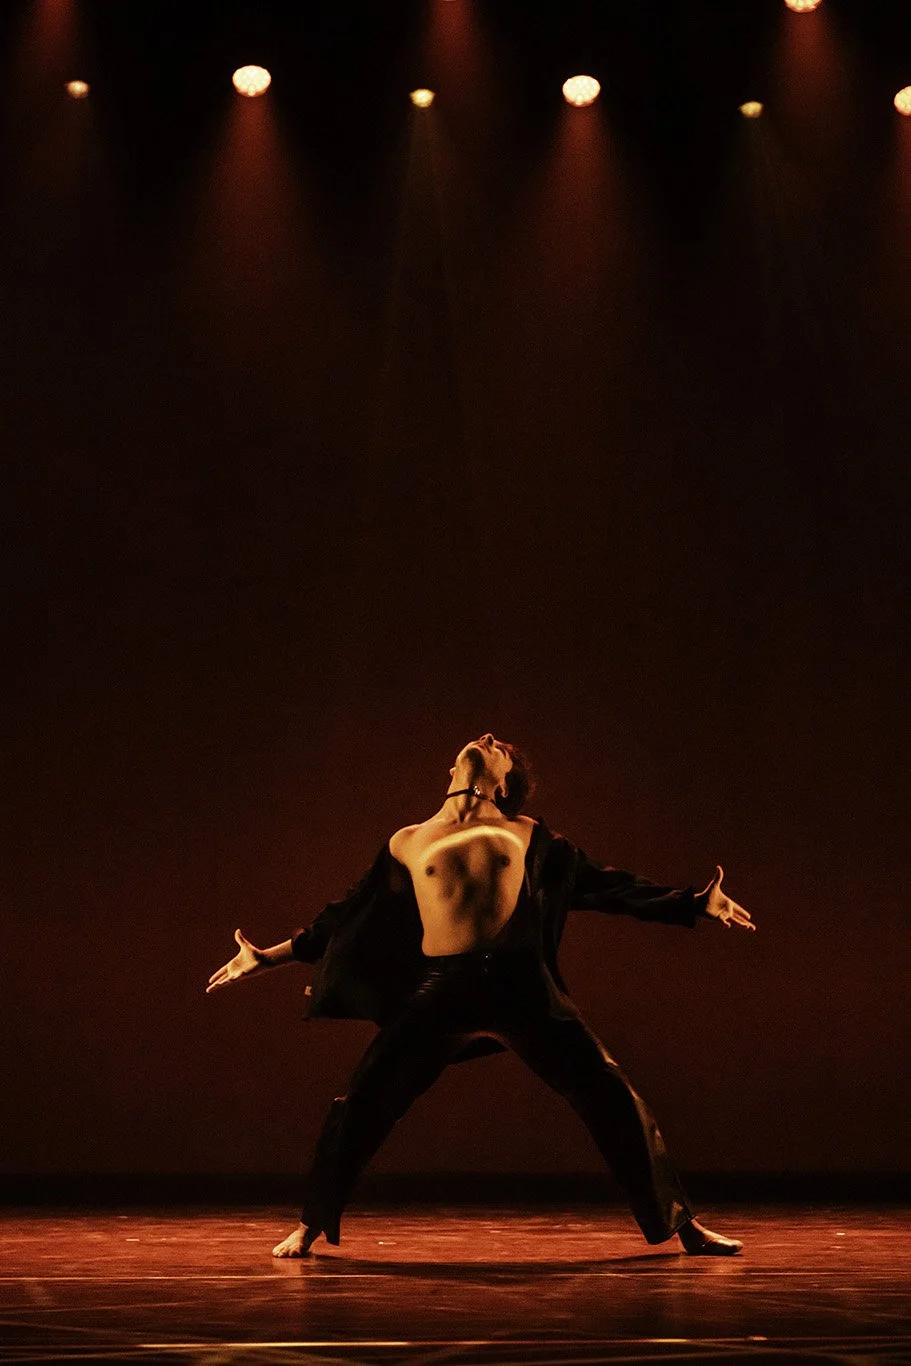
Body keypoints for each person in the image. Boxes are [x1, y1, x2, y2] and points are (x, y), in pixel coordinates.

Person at [207, 733, 755, 1259]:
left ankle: (684, 1224)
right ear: (453, 770)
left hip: (522, 986)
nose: (488, 737)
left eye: (501, 748)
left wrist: (689, 903)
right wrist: (269, 957)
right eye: (485, 741)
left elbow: (607, 884)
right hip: (445, 987)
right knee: (364, 1101)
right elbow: (345, 915)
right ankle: (310, 1224)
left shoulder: (530, 835)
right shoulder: (408, 840)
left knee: (612, 1095)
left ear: (504, 778)